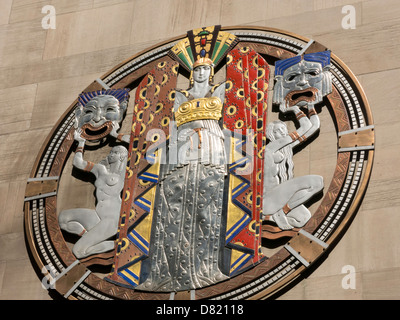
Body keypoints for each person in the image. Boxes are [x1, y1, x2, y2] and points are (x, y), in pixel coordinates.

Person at [135, 57, 229, 292]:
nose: (199, 72)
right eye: (196, 69)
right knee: (171, 205)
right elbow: (171, 127)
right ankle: (163, 275)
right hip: (181, 146)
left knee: (206, 204)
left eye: (204, 69)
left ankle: (205, 270)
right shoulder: (180, 96)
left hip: (210, 142)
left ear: (211, 72)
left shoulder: (220, 90)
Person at [58, 128, 128, 258]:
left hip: (112, 219)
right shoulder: (100, 170)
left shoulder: (126, 173)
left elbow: (139, 143)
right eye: (111, 152)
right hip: (97, 215)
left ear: (123, 156)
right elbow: (78, 163)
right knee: (63, 218)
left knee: (78, 252)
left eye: (115, 152)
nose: (111, 154)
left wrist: (116, 135)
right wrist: (80, 143)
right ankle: (93, 238)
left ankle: (116, 245)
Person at [262, 104, 323, 230]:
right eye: (277, 130)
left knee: (303, 218)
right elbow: (305, 127)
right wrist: (295, 109)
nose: (282, 132)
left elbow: (314, 126)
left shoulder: (287, 147)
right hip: (270, 198)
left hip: (282, 197)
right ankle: (282, 211)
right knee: (317, 182)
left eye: (283, 129)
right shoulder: (270, 148)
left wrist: (311, 107)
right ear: (271, 135)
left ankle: (272, 217)